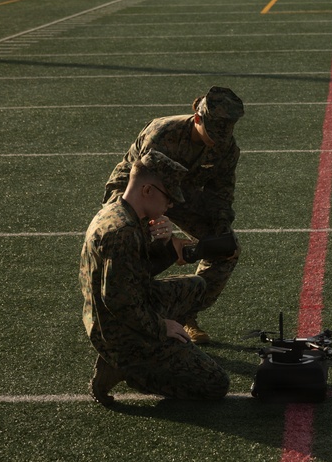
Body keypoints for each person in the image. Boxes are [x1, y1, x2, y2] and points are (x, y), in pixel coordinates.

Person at [80, 150, 230, 405]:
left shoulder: (122, 213)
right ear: (147, 190)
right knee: (216, 384)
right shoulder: (122, 231)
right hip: (120, 332)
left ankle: (152, 353)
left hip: (126, 311)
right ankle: (128, 367)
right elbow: (117, 302)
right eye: (168, 197)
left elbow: (134, 274)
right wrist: (162, 327)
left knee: (196, 286)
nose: (170, 205)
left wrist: (163, 244)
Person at [103, 85, 245, 345]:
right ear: (198, 118)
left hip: (179, 195)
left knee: (228, 249)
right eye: (213, 131)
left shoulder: (225, 146)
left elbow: (221, 193)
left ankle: (183, 314)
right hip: (136, 192)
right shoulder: (163, 133)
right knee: (138, 245)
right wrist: (163, 236)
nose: (218, 139)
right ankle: (132, 318)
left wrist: (220, 227)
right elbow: (143, 187)